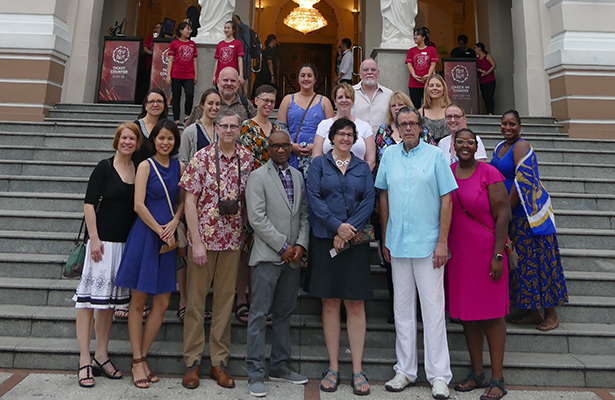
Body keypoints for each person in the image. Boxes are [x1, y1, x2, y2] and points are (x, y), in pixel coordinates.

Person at [375, 107, 457, 399]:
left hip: (428, 245)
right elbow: (383, 195)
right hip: (398, 243)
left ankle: (438, 376)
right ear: (396, 128)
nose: (408, 128)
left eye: (413, 124)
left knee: (433, 310)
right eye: (403, 124)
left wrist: (443, 242)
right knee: (402, 309)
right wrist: (385, 235)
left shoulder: (435, 156)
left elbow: (447, 199)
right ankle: (405, 371)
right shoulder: (388, 156)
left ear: (421, 127)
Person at [180, 110, 254, 390]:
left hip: (232, 241)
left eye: (233, 126)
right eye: (223, 125)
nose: (228, 130)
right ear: (216, 128)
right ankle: (192, 362)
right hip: (204, 241)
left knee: (224, 304)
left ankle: (218, 362)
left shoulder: (247, 159)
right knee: (196, 305)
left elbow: (250, 199)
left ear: (239, 129)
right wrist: (195, 241)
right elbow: (189, 201)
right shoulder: (201, 157)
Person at [305, 118, 375, 395]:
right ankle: (333, 367)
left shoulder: (362, 168)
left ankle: (357, 369)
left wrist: (347, 231)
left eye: (350, 134)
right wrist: (336, 226)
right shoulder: (319, 165)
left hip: (354, 243)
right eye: (340, 134)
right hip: (325, 240)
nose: (345, 138)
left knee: (355, 304)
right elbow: (314, 198)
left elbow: (369, 200)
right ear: (331, 137)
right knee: (331, 303)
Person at [115, 119, 185, 389]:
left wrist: (175, 222)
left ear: (175, 141)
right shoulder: (145, 165)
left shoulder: (179, 166)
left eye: (170, 139)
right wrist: (159, 229)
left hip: (167, 239)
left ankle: (141, 357)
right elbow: (138, 204)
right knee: (138, 302)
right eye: (160, 138)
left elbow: (181, 201)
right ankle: (137, 360)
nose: (165, 142)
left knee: (163, 302)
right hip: (146, 235)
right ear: (153, 140)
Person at [73, 123, 140, 387]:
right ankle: (84, 360)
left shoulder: (137, 168)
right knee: (89, 303)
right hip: (101, 244)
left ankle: (101, 354)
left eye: (132, 138)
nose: (127, 142)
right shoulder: (104, 167)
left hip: (123, 245)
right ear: (117, 140)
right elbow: (89, 203)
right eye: (124, 137)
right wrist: (95, 239)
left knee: (107, 304)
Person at [447, 128, 511, 400]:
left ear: (477, 147)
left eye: (469, 142)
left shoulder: (489, 173)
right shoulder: (447, 171)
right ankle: (477, 373)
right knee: (468, 316)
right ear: (453, 145)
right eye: (459, 142)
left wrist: (498, 254)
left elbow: (504, 213)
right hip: (459, 255)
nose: (464, 146)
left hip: (487, 253)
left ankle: (497, 378)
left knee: (492, 316)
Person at [244, 131, 310, 397]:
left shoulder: (298, 176)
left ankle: (280, 366)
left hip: (292, 259)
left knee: (284, 313)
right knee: (259, 314)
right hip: (268, 257)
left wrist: (300, 246)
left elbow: (304, 214)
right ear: (268, 149)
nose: (281, 150)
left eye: (285, 145)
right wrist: (283, 246)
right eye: (276, 146)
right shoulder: (257, 177)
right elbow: (256, 218)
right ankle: (255, 372)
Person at [490, 110, 568, 332]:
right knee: (522, 263)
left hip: (528, 216)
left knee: (540, 262)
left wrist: (507, 210)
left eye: (512, 124)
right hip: (510, 215)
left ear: (520, 127)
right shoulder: (499, 148)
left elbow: (521, 180)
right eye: (504, 123)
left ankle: (551, 314)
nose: (508, 127)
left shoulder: (521, 147)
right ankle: (532, 311)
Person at [373, 91, 435, 324]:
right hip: (390, 203)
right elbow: (378, 168)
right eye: (393, 106)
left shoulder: (424, 136)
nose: (397, 108)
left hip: (419, 209)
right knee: (391, 261)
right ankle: (395, 306)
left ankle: (418, 307)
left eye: (401, 105)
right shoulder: (383, 133)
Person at [235, 84, 281, 324]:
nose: (269, 105)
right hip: (249, 194)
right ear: (255, 101)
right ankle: (241, 298)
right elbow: (242, 162)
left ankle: (258, 299)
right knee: (245, 250)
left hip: (272, 197)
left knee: (262, 250)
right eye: (265, 100)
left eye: (272, 101)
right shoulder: (246, 128)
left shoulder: (277, 129)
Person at [176, 88, 221, 322]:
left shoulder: (222, 131)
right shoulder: (191, 132)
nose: (214, 108)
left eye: (217, 104)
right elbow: (183, 163)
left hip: (214, 204)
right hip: (194, 199)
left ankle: (201, 301)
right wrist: (184, 201)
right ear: (202, 105)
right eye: (210, 103)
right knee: (189, 250)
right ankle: (185, 300)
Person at [276, 63, 334, 178]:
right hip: (292, 151)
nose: (306, 79)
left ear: (315, 79)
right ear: (298, 79)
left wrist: (316, 146)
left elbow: (331, 130)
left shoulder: (324, 101)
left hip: (317, 152)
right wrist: (291, 145)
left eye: (309, 75)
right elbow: (280, 127)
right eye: (302, 75)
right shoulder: (288, 99)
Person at [313, 83, 376, 170]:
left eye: (347, 97)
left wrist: (360, 177)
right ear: (335, 102)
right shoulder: (324, 125)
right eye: (340, 97)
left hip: (357, 178)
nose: (344, 100)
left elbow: (371, 161)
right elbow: (316, 157)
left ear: (353, 101)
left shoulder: (365, 127)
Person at [185, 67, 256, 126]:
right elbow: (188, 131)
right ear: (218, 82)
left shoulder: (246, 104)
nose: (229, 84)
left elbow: (257, 129)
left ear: (238, 83)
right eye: (225, 80)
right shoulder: (206, 105)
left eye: (233, 81)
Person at [165, 21, 198, 124]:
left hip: (189, 74)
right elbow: (170, 60)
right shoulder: (174, 43)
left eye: (190, 29)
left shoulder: (192, 44)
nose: (189, 31)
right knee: (176, 96)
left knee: (189, 93)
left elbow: (194, 60)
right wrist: (168, 75)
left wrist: (196, 75)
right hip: (176, 73)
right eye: (187, 29)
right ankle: (176, 119)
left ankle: (187, 115)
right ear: (180, 30)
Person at [351, 58, 393, 136]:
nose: (369, 72)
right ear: (360, 73)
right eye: (365, 70)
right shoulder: (350, 93)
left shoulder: (389, 94)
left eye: (373, 69)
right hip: (356, 142)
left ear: (378, 73)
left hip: (382, 144)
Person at [132, 88, 169, 167]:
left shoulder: (168, 127)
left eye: (159, 101)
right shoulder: (136, 127)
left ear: (164, 105)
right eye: (151, 101)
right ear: (146, 106)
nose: (155, 105)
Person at [406, 27, 438, 108]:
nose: (415, 37)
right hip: (414, 82)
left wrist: (428, 75)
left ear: (423, 37)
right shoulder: (411, 51)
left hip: (427, 82)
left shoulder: (431, 49)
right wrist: (413, 75)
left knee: (429, 105)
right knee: (415, 106)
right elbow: (409, 64)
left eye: (417, 35)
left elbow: (433, 64)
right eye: (414, 35)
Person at [418, 74, 451, 143]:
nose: (434, 88)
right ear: (427, 89)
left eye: (438, 86)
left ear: (444, 89)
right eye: (431, 86)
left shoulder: (451, 110)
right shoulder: (420, 112)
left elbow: (462, 133)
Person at [212, 21, 244, 88]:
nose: (226, 30)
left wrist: (241, 75)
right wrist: (214, 75)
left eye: (228, 28)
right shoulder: (220, 44)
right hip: (220, 74)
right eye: (225, 28)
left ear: (233, 30)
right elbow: (217, 60)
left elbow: (240, 59)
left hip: (232, 74)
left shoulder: (237, 43)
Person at [475, 43, 497, 115]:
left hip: (489, 80)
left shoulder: (487, 56)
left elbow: (494, 65)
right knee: (484, 97)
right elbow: (475, 68)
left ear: (479, 48)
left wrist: (487, 72)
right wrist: (481, 71)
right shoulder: (477, 59)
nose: (474, 50)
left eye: (475, 48)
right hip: (482, 81)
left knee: (489, 96)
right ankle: (488, 112)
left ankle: (491, 112)